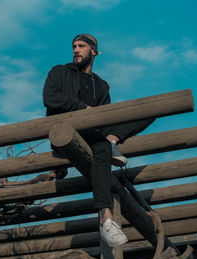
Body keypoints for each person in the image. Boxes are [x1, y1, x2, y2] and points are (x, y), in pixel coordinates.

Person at [43, 34, 154, 247]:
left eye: (81, 46)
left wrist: (107, 130)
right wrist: (84, 109)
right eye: (74, 46)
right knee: (101, 145)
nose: (76, 49)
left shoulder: (102, 85)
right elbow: (50, 98)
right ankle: (106, 218)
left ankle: (112, 140)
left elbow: (105, 117)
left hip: (95, 134)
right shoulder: (60, 71)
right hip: (66, 130)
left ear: (94, 51)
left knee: (148, 111)